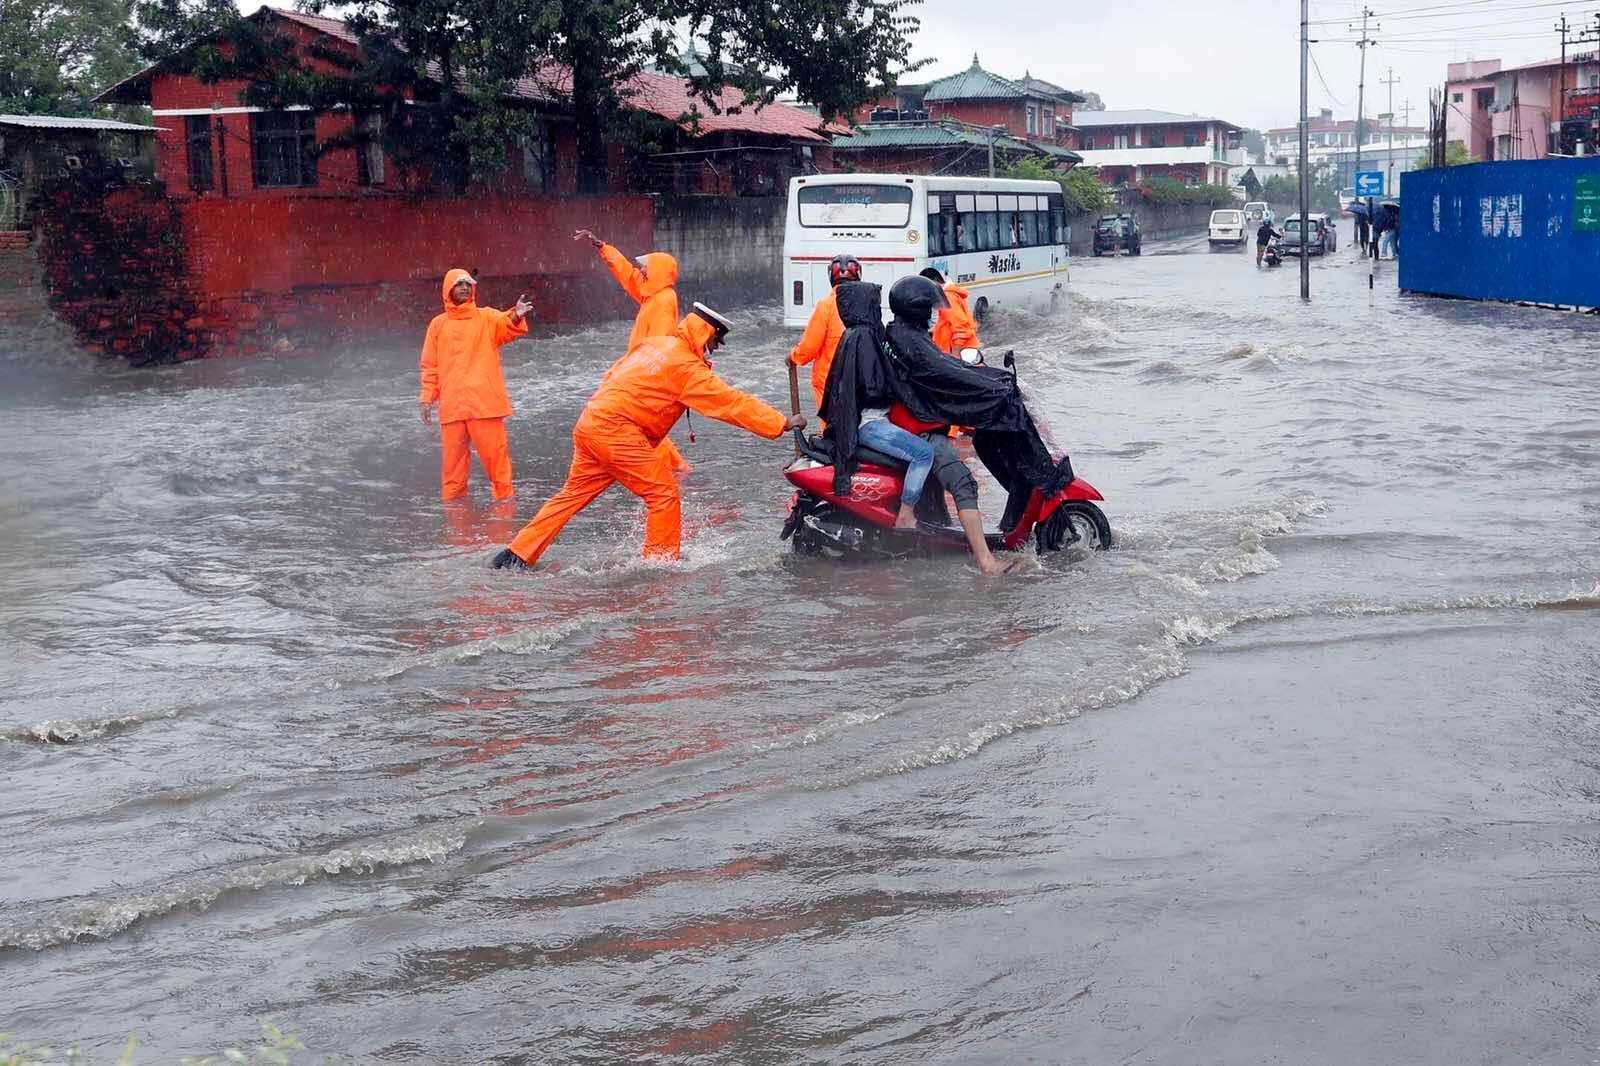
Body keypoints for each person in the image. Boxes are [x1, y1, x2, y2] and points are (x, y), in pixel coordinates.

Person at [491, 304, 805, 570]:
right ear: (706, 332)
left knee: (570, 496)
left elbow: (613, 374)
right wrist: (780, 422)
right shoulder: (687, 369)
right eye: (718, 339)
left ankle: (516, 554)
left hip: (591, 422)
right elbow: (729, 403)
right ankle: (660, 565)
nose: (718, 347)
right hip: (617, 433)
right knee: (663, 495)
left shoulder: (655, 345)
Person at [817, 281, 934, 531]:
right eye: (875, 304)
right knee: (924, 454)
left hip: (864, 420)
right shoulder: (866, 337)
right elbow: (875, 385)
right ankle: (906, 514)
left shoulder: (853, 335)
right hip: (870, 423)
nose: (879, 310)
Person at [573, 227, 691, 474]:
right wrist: (603, 247)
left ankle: (676, 470)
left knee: (640, 429)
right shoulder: (652, 294)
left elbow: (660, 343)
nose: (642, 270)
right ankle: (677, 470)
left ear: (657, 272)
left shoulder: (663, 300)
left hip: (643, 375)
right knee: (641, 429)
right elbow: (626, 273)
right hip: (638, 372)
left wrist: (645, 373)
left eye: (646, 267)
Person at [419, 268, 533, 501]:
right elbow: (430, 365)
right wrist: (427, 397)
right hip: (452, 408)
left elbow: (506, 325)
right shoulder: (437, 325)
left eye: (467, 284)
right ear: (447, 290)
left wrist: (516, 315)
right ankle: (454, 524)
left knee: (498, 470)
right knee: (452, 475)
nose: (464, 287)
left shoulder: (487, 317)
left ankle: (505, 521)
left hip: (485, 406)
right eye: (459, 284)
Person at [788, 253, 856, 414]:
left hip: (830, 382)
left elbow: (809, 348)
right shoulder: (870, 304)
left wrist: (793, 356)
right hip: (861, 380)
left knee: (832, 429)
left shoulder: (826, 306)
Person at [918, 267, 980, 356]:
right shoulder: (947, 295)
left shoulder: (947, 297)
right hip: (956, 351)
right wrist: (932, 331)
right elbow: (947, 323)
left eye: (926, 287)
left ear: (935, 281)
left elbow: (961, 329)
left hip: (958, 353)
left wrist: (955, 357)